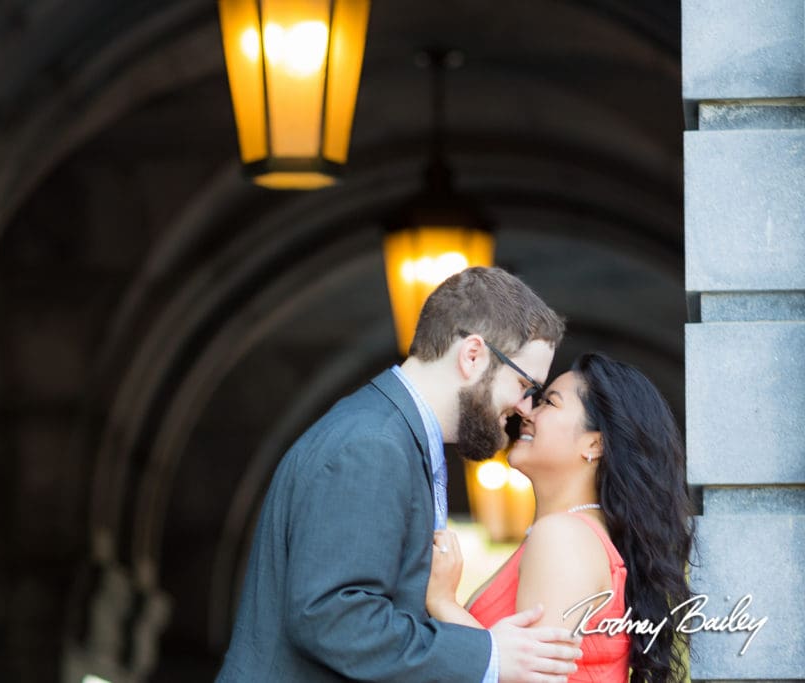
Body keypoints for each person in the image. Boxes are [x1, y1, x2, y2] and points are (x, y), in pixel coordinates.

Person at [216, 267, 583, 682]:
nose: (526, 408)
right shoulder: (373, 446)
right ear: (473, 356)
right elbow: (334, 619)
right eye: (525, 384)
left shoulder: (390, 437)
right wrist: (488, 656)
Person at [426, 353, 694, 683]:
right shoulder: (573, 535)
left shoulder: (564, 537)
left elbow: (533, 678)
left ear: (594, 444)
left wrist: (443, 603)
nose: (527, 412)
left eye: (549, 403)